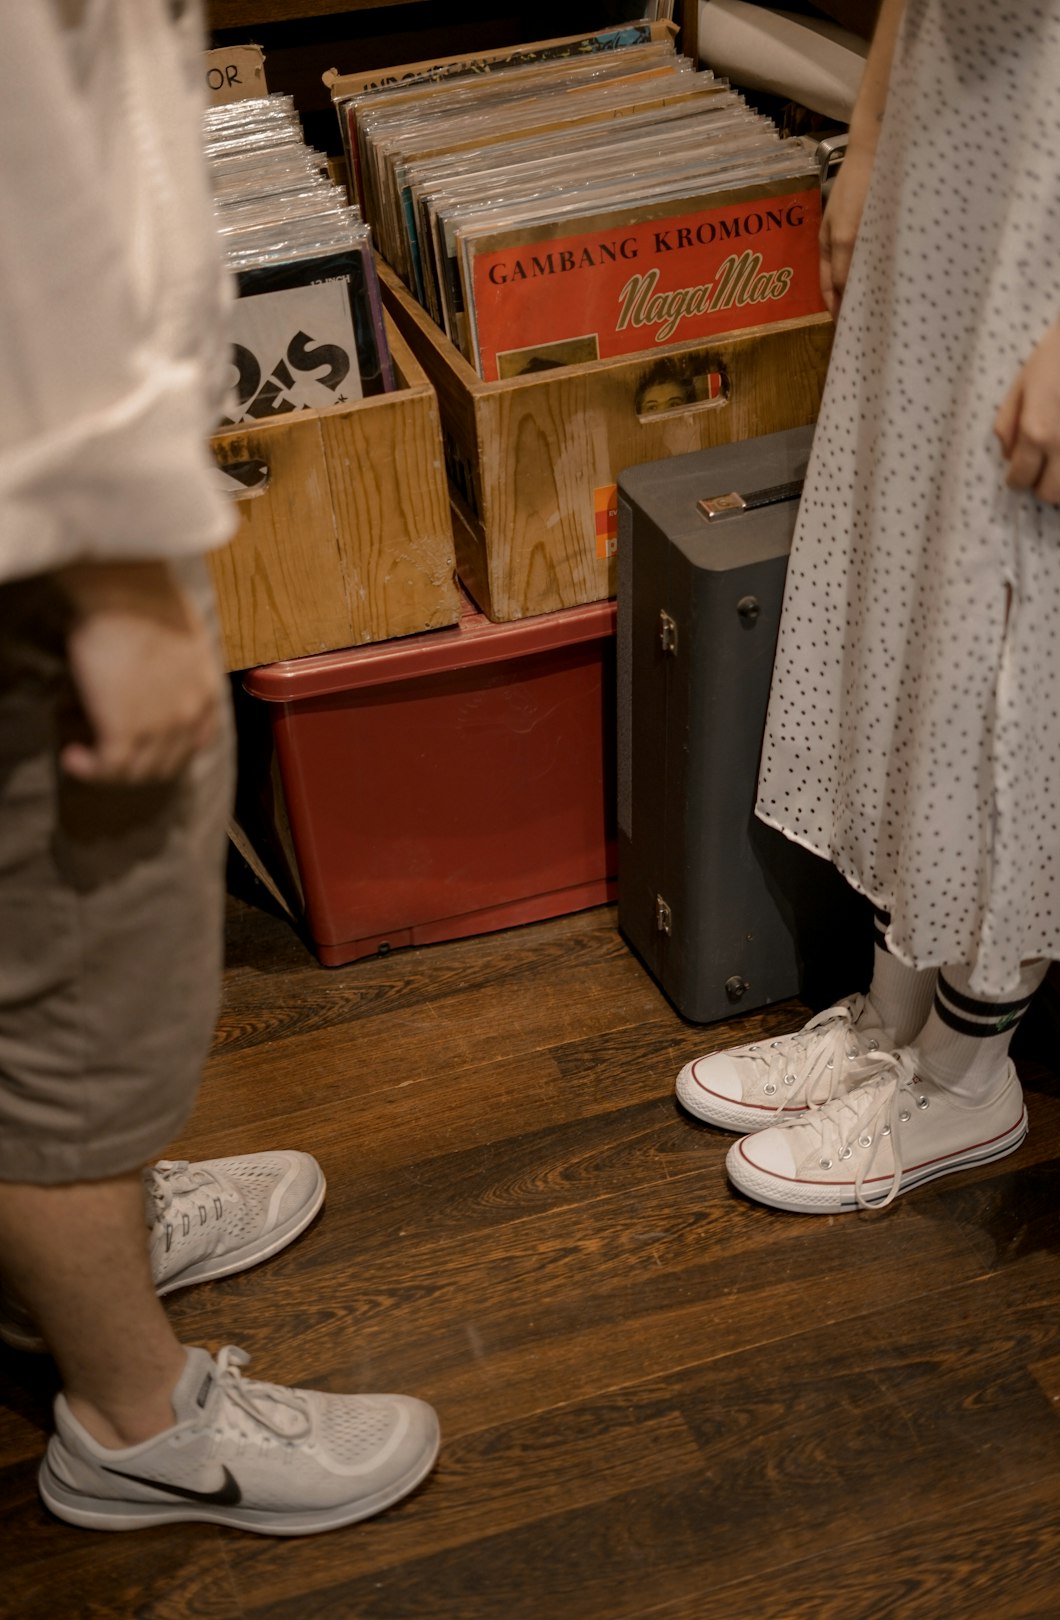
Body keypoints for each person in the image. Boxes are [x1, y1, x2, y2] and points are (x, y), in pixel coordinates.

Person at [0, 1, 438, 1533]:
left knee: (41, 964)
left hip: (58, 506)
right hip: (48, 541)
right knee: (77, 998)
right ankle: (133, 1426)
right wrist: (120, 578)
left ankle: (74, 1246)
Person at [676, 0, 1060, 1213]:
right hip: (956, 140)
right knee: (916, 577)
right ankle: (894, 1021)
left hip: (1058, 188)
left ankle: (967, 1072)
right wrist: (867, 133)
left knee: (1015, 615)